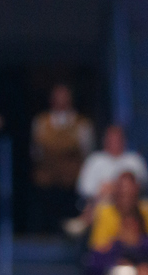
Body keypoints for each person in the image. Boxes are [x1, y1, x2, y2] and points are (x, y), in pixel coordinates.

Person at [30, 84, 93, 232]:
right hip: (47, 182)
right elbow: (35, 152)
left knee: (68, 221)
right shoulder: (41, 121)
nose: (61, 101)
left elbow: (87, 152)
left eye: (64, 97)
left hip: (70, 184)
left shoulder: (81, 124)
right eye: (58, 97)